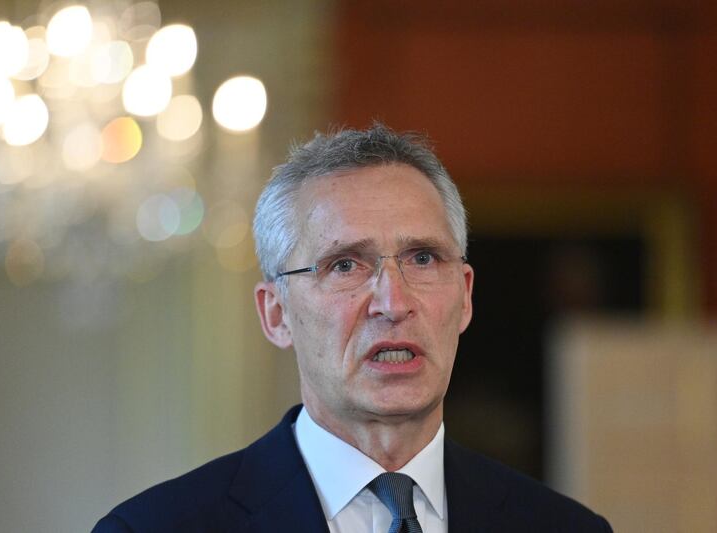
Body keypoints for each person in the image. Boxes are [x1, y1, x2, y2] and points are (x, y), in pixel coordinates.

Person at [93, 124, 613, 532]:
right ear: (276, 314)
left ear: (466, 297)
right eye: (345, 265)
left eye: (424, 258)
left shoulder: (565, 528)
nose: (392, 303)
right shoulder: (153, 528)